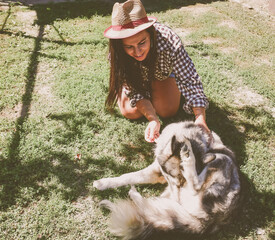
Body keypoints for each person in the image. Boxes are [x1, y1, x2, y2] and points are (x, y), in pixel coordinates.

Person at [104, 0, 211, 143]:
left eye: (142, 42)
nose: (137, 52)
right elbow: (134, 90)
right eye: (129, 47)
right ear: (120, 45)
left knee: (167, 111)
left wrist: (200, 119)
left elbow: (189, 79)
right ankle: (138, 93)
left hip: (161, 76)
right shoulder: (116, 55)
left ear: (151, 34)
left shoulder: (170, 40)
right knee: (130, 112)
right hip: (135, 81)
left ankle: (154, 90)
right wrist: (153, 119)